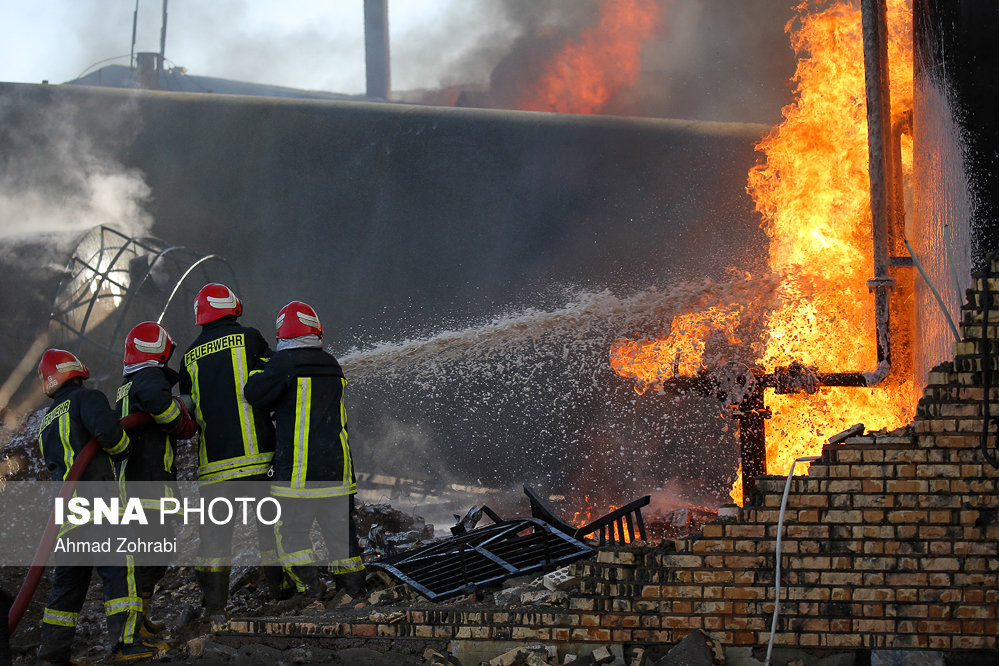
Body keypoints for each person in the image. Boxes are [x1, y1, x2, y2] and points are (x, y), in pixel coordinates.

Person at [34, 349, 160, 664]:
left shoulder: (46, 421)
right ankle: (126, 645)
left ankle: (52, 656)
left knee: (68, 586)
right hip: (99, 506)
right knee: (120, 571)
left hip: (67, 515)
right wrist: (125, 448)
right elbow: (109, 434)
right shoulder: (85, 399)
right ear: (75, 371)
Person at [244, 301, 365, 598]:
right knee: (343, 541)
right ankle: (353, 595)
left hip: (300, 475)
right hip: (338, 472)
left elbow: (254, 394)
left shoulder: (283, 365)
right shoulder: (332, 364)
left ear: (282, 335)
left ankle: (310, 593)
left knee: (291, 534)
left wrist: (257, 370)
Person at [178, 283, 283, 614]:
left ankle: (214, 608)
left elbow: (187, 417)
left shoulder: (188, 358)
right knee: (271, 531)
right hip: (258, 462)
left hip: (214, 469)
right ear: (233, 307)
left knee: (214, 541)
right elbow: (275, 379)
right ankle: (282, 594)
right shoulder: (250, 338)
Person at [116, 321, 197, 635]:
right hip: (146, 488)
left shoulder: (128, 382)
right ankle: (133, 631)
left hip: (135, 488)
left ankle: (139, 621)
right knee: (149, 557)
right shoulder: (149, 377)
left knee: (150, 557)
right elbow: (154, 399)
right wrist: (181, 422)